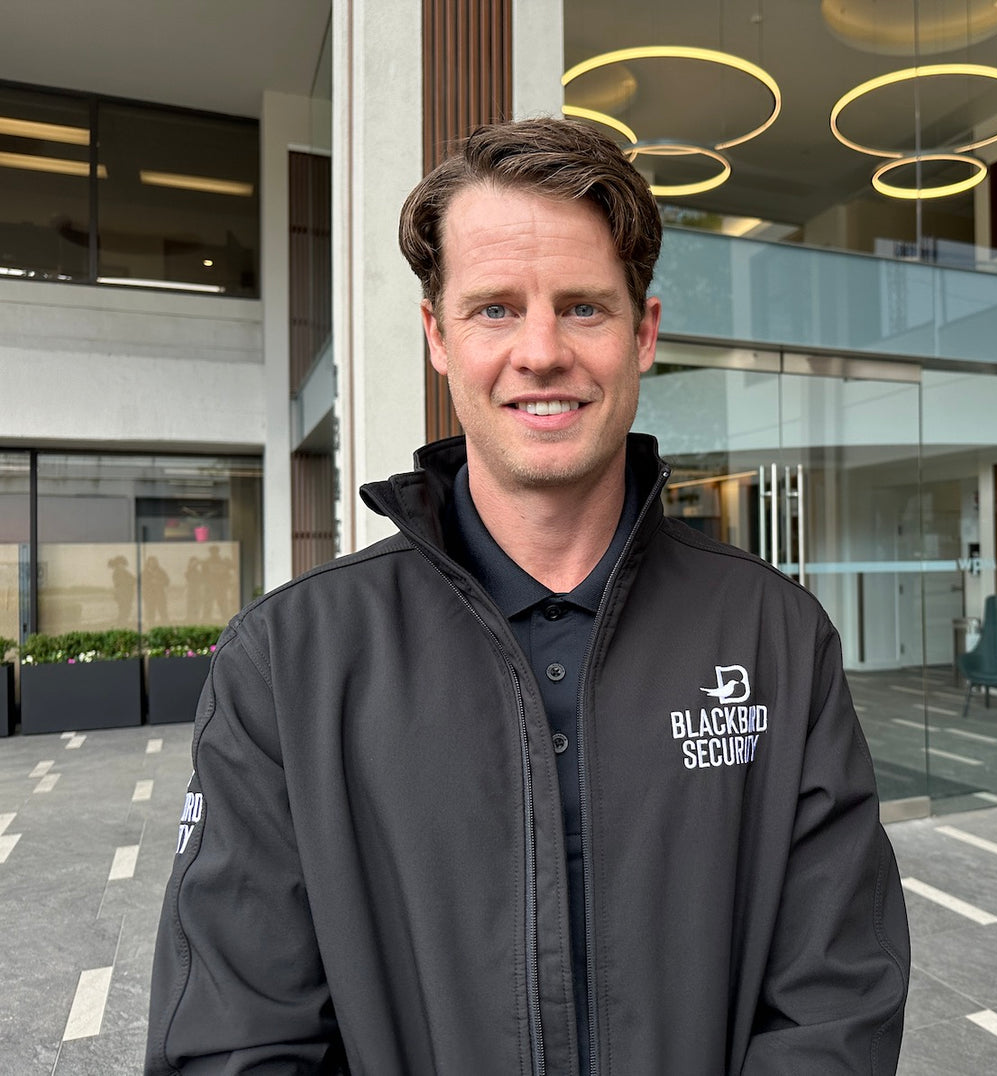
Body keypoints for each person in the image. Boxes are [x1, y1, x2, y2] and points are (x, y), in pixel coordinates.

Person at [146, 117, 909, 1075]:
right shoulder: (289, 664)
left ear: (645, 334)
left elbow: (837, 1007)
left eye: (584, 307)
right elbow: (234, 1040)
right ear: (438, 336)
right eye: (495, 308)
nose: (541, 351)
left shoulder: (775, 639)